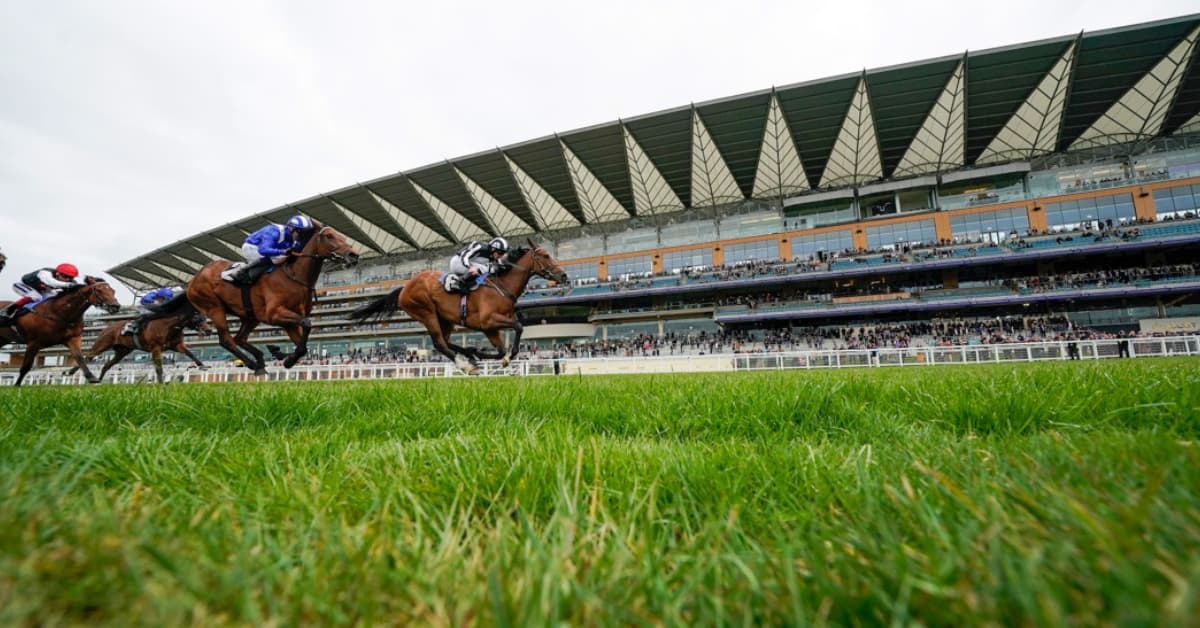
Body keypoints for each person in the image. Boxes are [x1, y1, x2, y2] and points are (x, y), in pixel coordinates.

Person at [220, 215, 316, 283]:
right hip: (252, 247)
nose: (302, 237)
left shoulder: (294, 238)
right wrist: (282, 251)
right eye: (301, 233)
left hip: (268, 250)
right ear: (292, 229)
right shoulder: (274, 231)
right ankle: (237, 271)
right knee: (273, 260)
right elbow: (263, 250)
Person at [0, 263, 83, 323]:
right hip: (22, 285)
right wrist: (70, 285)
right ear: (58, 273)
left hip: (41, 290)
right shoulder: (45, 273)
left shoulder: (70, 282)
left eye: (70, 277)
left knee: (52, 298)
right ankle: (9, 310)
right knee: (36, 297)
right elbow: (52, 283)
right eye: (65, 276)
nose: (68, 279)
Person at [445, 237, 510, 294]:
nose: (501, 255)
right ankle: (456, 282)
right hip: (457, 262)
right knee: (488, 268)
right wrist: (470, 267)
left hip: (468, 264)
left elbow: (499, 265)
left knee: (493, 268)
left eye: (503, 253)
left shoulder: (494, 256)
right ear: (493, 249)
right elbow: (464, 256)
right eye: (500, 252)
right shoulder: (480, 246)